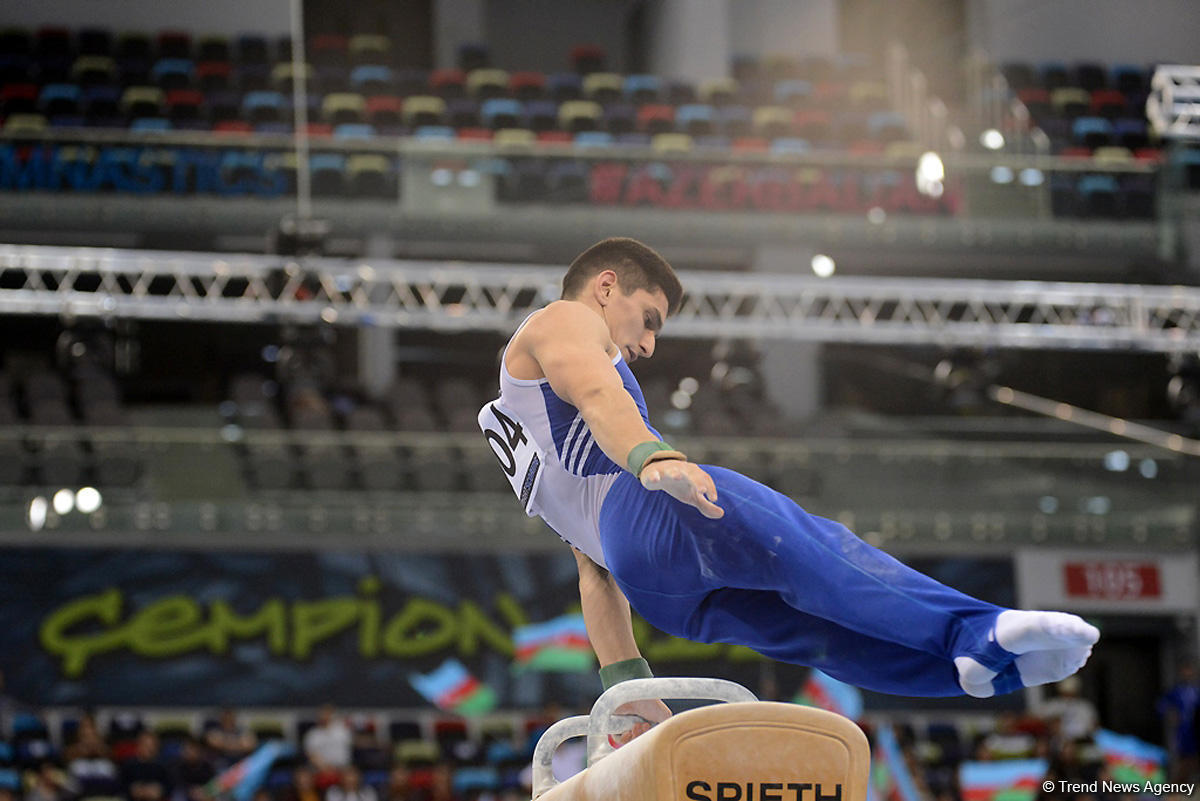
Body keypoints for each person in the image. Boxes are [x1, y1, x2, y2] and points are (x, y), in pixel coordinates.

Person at [477, 237, 1099, 729]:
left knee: (815, 635)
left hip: (655, 592)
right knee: (815, 550)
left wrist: (626, 686)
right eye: (647, 319)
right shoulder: (561, 319)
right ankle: (975, 632)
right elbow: (595, 392)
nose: (646, 344)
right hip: (644, 510)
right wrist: (651, 456)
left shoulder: (524, 422)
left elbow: (593, 569)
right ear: (605, 287)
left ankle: (964, 672)